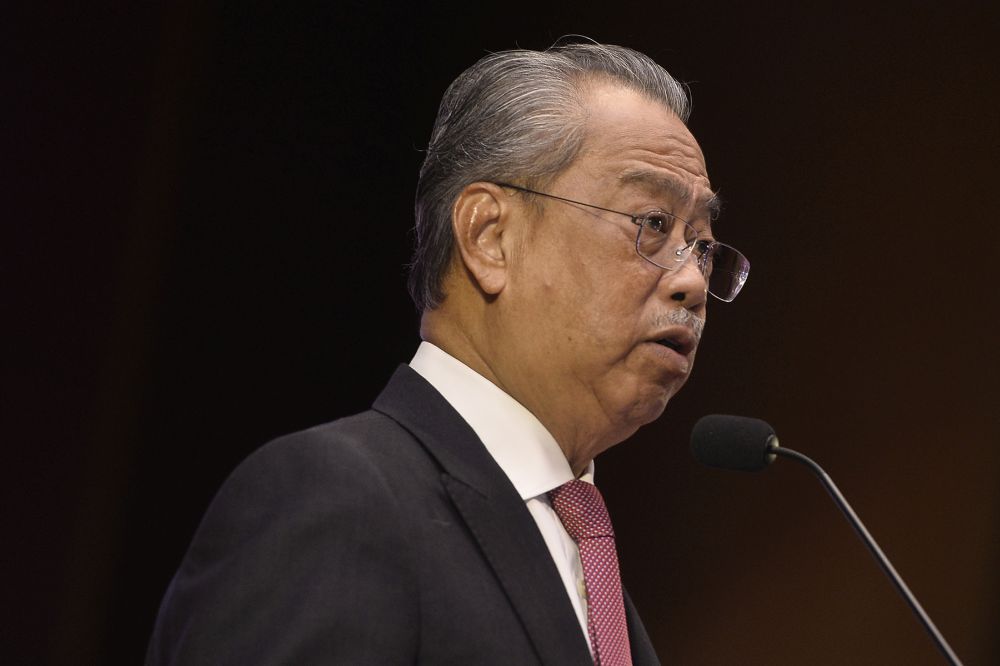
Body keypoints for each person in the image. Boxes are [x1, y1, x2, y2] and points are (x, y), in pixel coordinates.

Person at [145, 41, 749, 665]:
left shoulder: (587, 561)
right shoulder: (337, 500)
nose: (692, 281)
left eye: (702, 246)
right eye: (652, 223)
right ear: (489, 237)